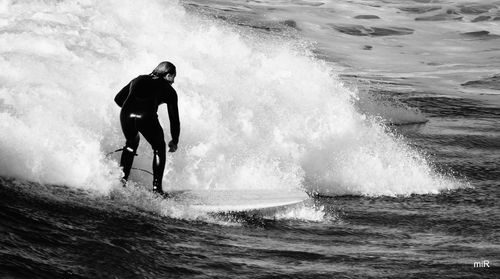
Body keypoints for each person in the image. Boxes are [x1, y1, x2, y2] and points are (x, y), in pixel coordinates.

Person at [114, 61, 180, 195]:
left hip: (126, 114)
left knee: (131, 143)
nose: (173, 81)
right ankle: (157, 189)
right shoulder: (170, 90)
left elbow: (118, 99)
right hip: (146, 116)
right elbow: (174, 119)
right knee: (159, 147)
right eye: (173, 77)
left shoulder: (138, 79)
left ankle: (121, 181)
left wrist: (133, 108)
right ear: (168, 75)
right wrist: (175, 140)